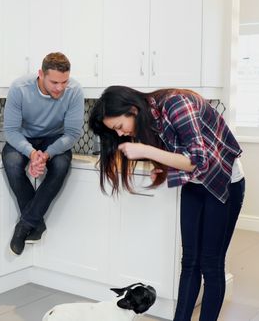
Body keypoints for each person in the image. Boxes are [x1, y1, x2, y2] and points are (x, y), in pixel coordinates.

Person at [88, 86, 245, 321]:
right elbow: (177, 152)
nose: (120, 134)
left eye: (119, 127)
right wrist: (161, 169)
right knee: (190, 261)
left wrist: (145, 150)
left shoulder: (176, 104)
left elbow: (196, 161)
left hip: (222, 183)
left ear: (132, 109)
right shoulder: (149, 118)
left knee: (210, 264)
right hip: (195, 184)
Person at [2, 52, 85, 255]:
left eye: (64, 82)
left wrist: (47, 154)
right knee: (12, 162)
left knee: (61, 166)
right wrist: (32, 154)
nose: (60, 88)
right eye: (54, 82)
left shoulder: (74, 91)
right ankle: (36, 223)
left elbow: (73, 133)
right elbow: (11, 131)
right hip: (24, 137)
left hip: (55, 139)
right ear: (41, 74)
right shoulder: (20, 88)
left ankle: (26, 224)